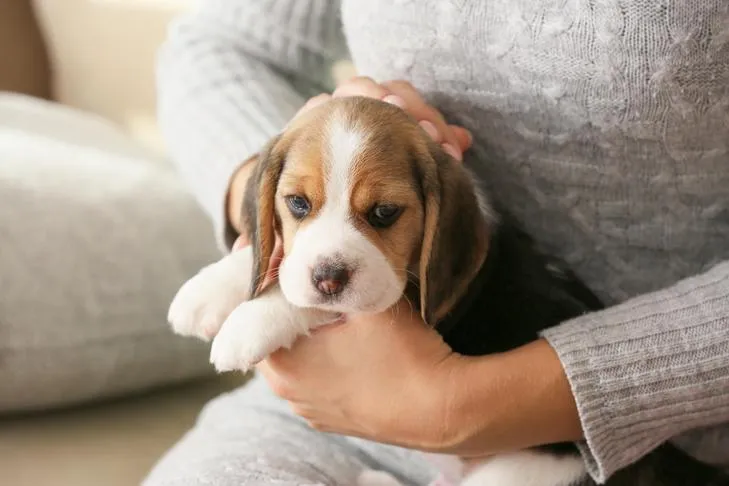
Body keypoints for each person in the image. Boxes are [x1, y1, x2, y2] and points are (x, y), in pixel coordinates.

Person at [144, 1, 729, 485]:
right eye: (301, 205)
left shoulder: (458, 227)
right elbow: (225, 45)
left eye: (381, 214)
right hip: (322, 410)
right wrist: (263, 197)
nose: (328, 255)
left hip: (611, 444)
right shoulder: (303, 209)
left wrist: (468, 406)